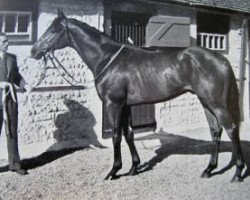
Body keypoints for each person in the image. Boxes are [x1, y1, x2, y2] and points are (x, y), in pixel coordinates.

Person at [0, 32, 29, 175]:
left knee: (12, 131)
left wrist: (25, 85)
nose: (7, 44)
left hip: (11, 99)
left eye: (7, 41)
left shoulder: (12, 58)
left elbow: (16, 76)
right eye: (4, 41)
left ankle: (15, 165)